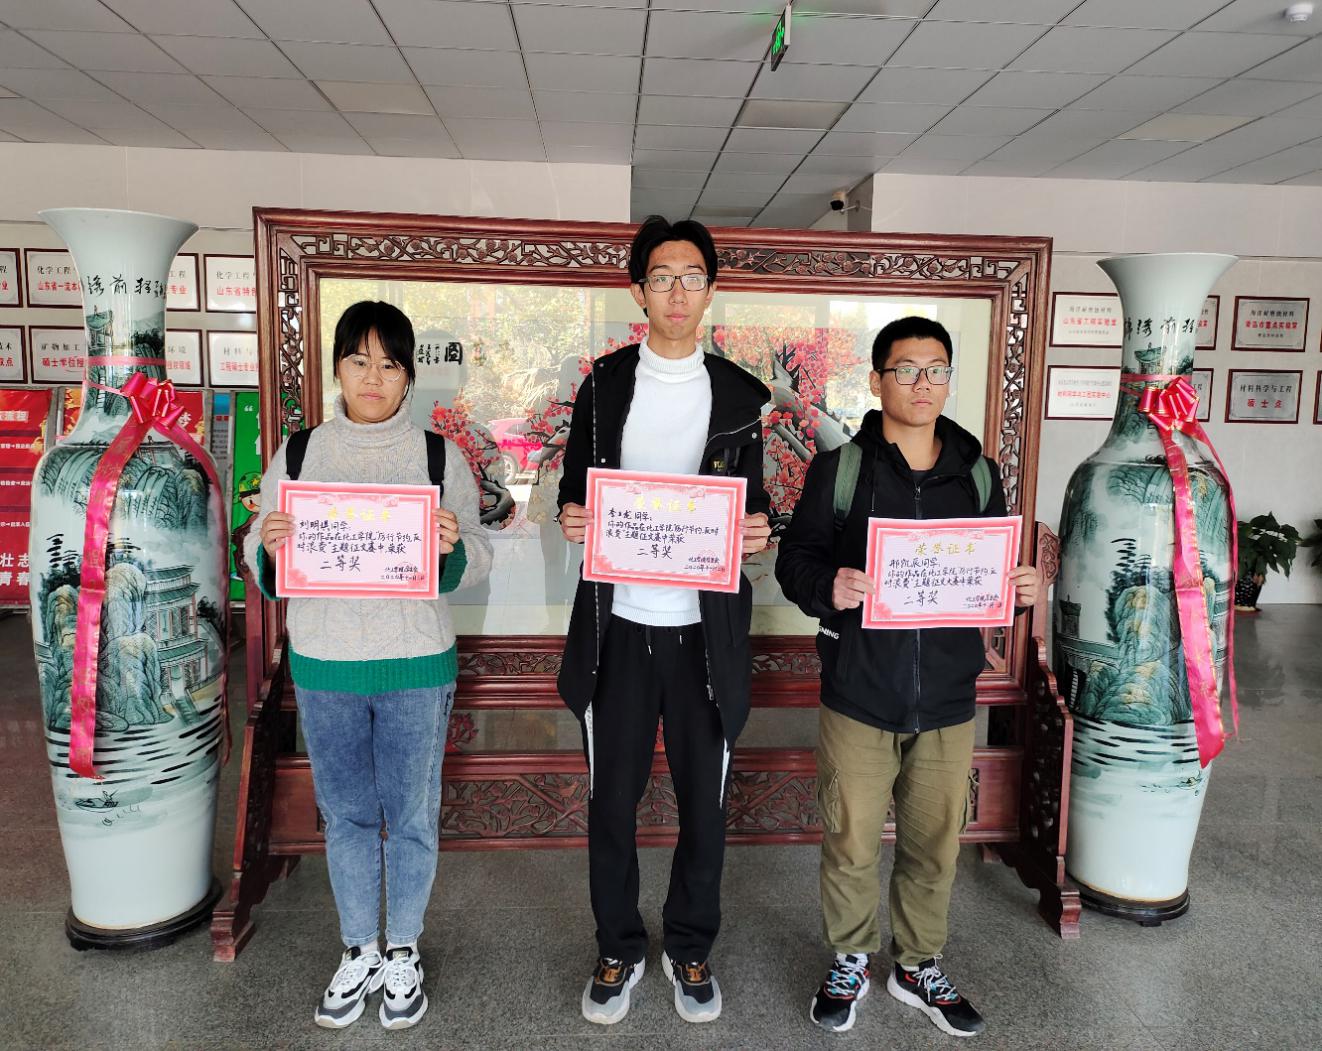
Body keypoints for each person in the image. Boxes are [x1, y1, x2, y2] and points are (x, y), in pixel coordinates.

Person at [775, 316, 1039, 1039]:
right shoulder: (842, 470)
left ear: (949, 380)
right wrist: (829, 585)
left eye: (936, 370)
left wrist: (1019, 589)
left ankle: (918, 963)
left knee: (934, 844)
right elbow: (795, 561)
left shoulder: (978, 474)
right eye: (906, 369)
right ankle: (851, 957)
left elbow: (990, 574)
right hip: (860, 691)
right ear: (877, 380)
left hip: (949, 698)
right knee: (851, 840)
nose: (923, 384)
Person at [244, 300, 492, 1031]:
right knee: (347, 814)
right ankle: (359, 946)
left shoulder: (439, 458)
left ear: (409, 375)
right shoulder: (299, 455)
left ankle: (404, 947)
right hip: (328, 666)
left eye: (389, 363)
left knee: (411, 813)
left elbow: (479, 555)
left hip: (416, 664)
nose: (373, 377)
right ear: (338, 369)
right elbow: (260, 552)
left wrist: (452, 545)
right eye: (359, 360)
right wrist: (270, 544)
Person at [557, 216, 772, 1025]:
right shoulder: (604, 386)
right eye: (661, 277)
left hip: (703, 637)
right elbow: (573, 492)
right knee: (610, 801)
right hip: (616, 628)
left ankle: (688, 943)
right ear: (638, 290)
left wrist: (756, 530)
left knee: (702, 806)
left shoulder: (742, 398)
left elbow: (755, 508)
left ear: (710, 290)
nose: (677, 292)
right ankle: (618, 945)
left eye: (691, 277)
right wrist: (573, 516)